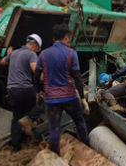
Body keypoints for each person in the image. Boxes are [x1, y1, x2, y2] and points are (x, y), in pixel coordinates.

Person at [34, 24, 89, 155]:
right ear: (65, 38)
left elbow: (36, 76)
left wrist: (39, 92)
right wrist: (82, 98)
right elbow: (77, 78)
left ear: (54, 38)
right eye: (68, 38)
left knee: (54, 129)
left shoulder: (43, 54)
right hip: (69, 97)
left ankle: (55, 158)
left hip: (51, 99)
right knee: (80, 121)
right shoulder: (72, 53)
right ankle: (87, 148)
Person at [0, 33, 42, 150]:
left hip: (12, 90)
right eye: (38, 49)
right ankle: (28, 120)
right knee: (40, 106)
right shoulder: (31, 54)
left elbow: (2, 62)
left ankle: (16, 146)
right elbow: (35, 69)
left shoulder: (14, 53)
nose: (37, 51)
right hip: (25, 89)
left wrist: (9, 55)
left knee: (16, 117)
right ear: (34, 45)